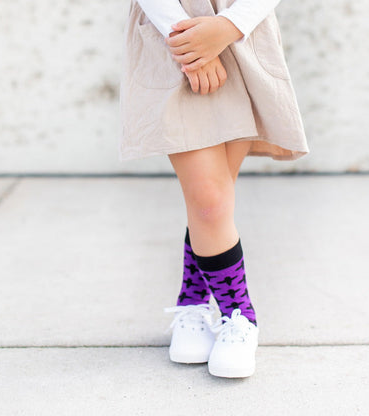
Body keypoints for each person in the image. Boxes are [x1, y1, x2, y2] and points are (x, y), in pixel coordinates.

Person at [118, 0, 310, 378]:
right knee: (209, 203)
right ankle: (239, 314)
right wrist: (189, 42)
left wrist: (228, 27)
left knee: (216, 200)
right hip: (170, 36)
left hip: (242, 33)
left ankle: (192, 299)